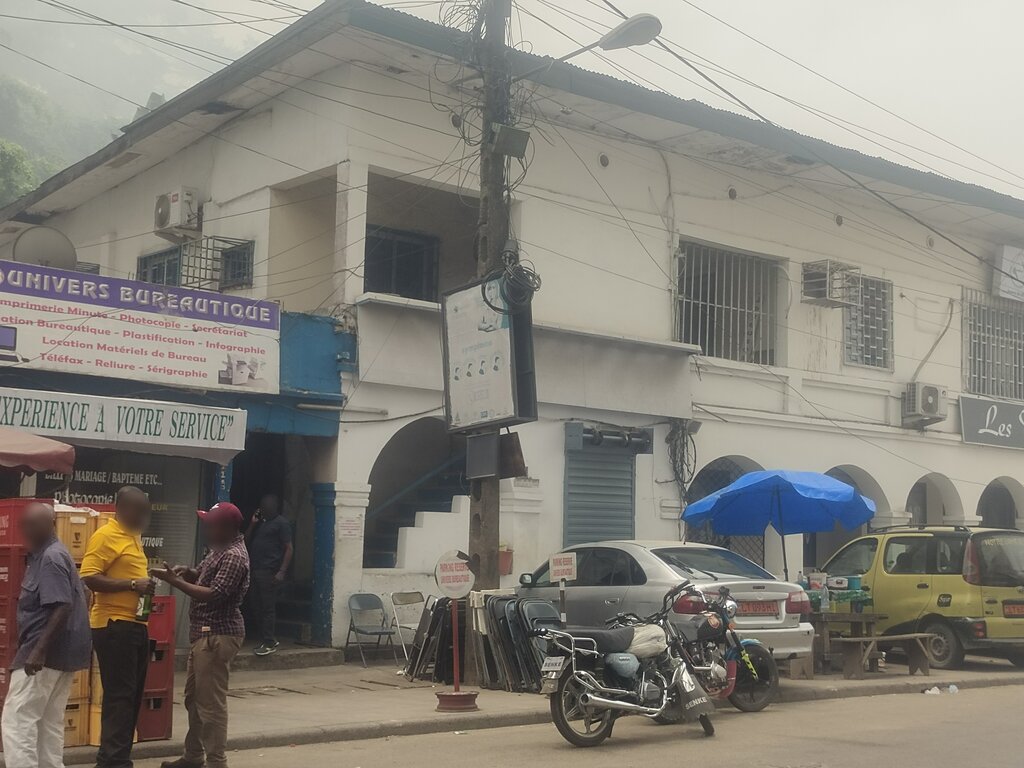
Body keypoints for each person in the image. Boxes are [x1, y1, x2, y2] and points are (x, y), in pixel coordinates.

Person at [153, 502, 249, 768]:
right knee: (194, 699)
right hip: (203, 635)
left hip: (217, 636)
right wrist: (189, 573)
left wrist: (176, 582)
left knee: (210, 705)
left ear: (227, 527)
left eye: (211, 525)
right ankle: (193, 756)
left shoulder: (234, 556)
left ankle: (217, 762)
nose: (207, 530)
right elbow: (206, 578)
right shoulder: (219, 550)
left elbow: (215, 594)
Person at [1, 503, 91, 767]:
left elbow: (62, 606)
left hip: (44, 654)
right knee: (48, 722)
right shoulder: (54, 554)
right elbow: (83, 595)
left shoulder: (51, 557)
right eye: (25, 525)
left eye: (33, 525)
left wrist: (38, 650)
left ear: (50, 524)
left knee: (18, 720)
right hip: (62, 655)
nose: (26, 530)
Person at [80, 486, 155, 768]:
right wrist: (133, 584)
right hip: (114, 625)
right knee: (120, 697)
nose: (144, 516)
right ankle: (113, 761)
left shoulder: (133, 536)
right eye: (140, 510)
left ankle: (116, 758)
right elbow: (89, 577)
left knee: (131, 697)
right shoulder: (105, 535)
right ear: (122, 508)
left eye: (146, 511)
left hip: (134, 624)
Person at [244, 494, 292, 656]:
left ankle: (269, 642)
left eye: (266, 506)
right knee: (255, 605)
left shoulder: (282, 524)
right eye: (262, 506)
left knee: (267, 608)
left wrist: (281, 571)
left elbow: (289, 548)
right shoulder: (262, 523)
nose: (263, 509)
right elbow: (246, 541)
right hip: (256, 569)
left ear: (274, 507)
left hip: (270, 571)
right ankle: (267, 637)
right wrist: (252, 524)